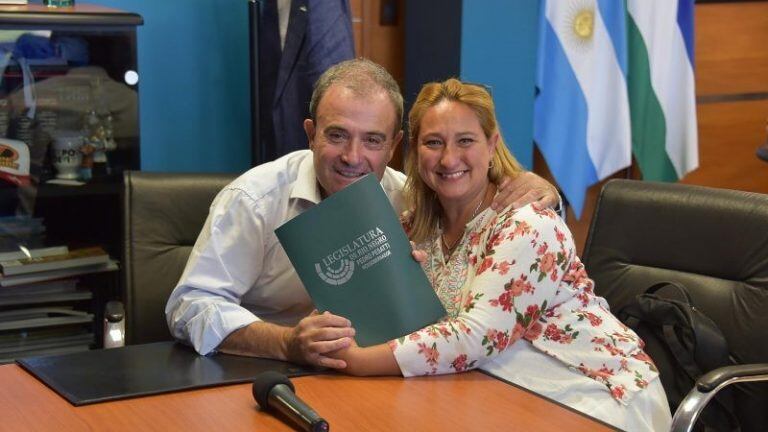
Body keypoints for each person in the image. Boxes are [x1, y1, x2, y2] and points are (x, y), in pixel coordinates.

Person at [165, 59, 560, 368]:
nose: (353, 157)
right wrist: (284, 343)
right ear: (310, 134)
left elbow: (477, 203)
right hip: (256, 369)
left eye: (372, 140)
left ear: (394, 146)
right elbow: (189, 306)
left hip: (371, 370)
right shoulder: (255, 199)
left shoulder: (411, 200)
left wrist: (546, 193)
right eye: (337, 135)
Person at [327, 78, 671, 431]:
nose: (448, 159)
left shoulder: (529, 223)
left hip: (592, 393)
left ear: (492, 145)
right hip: (496, 390)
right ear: (414, 150)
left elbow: (478, 336)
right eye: (433, 142)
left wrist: (358, 361)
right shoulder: (415, 227)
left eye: (465, 141)